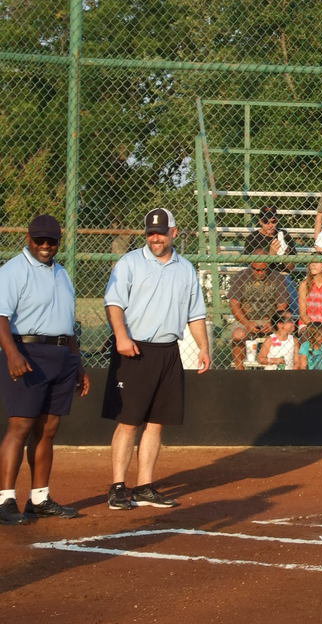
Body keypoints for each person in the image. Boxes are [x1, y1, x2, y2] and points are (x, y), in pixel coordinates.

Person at [102, 208, 209, 510]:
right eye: (151, 232)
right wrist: (121, 337)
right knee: (128, 421)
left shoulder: (185, 268)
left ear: (174, 232)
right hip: (135, 349)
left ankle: (145, 486)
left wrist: (203, 347)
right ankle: (118, 487)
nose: (156, 237)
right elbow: (113, 303)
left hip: (168, 350)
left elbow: (196, 313)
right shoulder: (130, 263)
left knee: (156, 422)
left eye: (161, 232)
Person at [0, 215, 89, 523]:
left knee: (48, 430)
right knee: (20, 426)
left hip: (61, 354)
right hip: (26, 352)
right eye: (40, 241)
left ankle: (39, 497)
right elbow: (0, 316)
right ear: (29, 238)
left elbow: (68, 324)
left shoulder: (62, 273)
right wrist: (12, 354)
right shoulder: (13, 270)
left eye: (51, 241)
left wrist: (77, 365)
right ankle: (5, 501)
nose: (45, 246)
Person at [228, 262, 287, 370]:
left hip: (271, 319)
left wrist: (272, 322)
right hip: (247, 319)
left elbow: (282, 305)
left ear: (268, 267)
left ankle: (281, 369)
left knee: (285, 331)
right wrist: (247, 323)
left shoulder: (278, 278)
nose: (259, 272)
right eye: (255, 269)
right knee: (238, 334)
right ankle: (239, 371)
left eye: (263, 269)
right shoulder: (241, 276)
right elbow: (234, 304)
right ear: (251, 266)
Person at [244, 205, 299, 314]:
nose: (270, 225)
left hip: (282, 275)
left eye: (273, 221)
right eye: (266, 221)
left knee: (291, 296)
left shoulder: (284, 235)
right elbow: (252, 267)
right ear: (260, 221)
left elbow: (291, 267)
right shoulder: (252, 238)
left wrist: (284, 256)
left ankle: (297, 323)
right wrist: (271, 255)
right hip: (261, 277)